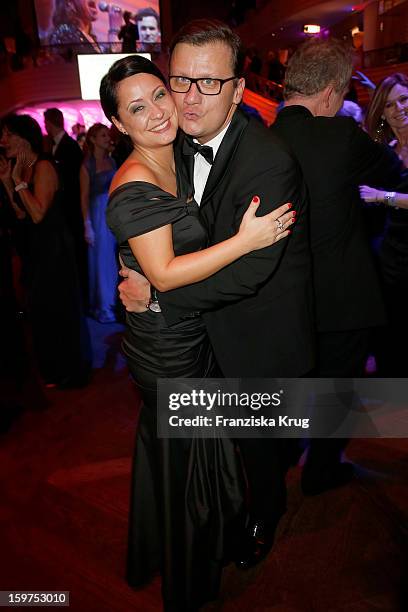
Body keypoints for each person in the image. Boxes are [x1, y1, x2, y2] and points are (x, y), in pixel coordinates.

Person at [118, 19, 314, 571]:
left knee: (260, 447)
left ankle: (265, 516)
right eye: (180, 80)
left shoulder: (269, 160)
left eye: (208, 82)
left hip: (259, 334)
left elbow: (250, 271)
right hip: (200, 341)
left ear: (236, 87)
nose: (189, 97)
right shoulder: (169, 142)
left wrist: (159, 298)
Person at [271, 39, 405, 494]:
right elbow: (390, 171)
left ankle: (286, 451)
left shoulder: (256, 139)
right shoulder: (341, 136)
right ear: (331, 93)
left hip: (283, 295)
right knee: (339, 387)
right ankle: (321, 470)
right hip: (344, 296)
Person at [0, 114, 91, 388]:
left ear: (23, 138)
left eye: (7, 135)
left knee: (58, 310)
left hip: (54, 249)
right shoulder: (22, 168)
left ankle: (70, 371)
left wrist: (16, 181)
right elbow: (21, 214)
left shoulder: (44, 167)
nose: (2, 142)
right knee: (41, 312)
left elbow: (38, 213)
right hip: (35, 250)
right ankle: (53, 368)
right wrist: (7, 181)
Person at [359, 73, 408, 376]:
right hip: (391, 256)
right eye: (389, 105)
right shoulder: (386, 149)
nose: (399, 109)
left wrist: (382, 196)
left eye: (404, 99)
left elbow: (379, 197)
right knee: (394, 330)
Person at [44, 107, 88, 302]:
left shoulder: (69, 146)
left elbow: (73, 183)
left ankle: (80, 295)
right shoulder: (56, 145)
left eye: (46, 123)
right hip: (64, 210)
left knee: (77, 252)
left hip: (70, 209)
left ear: (50, 123)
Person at [80, 123, 117, 323]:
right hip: (97, 214)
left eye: (106, 135)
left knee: (112, 259)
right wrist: (87, 225)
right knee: (102, 261)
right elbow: (83, 197)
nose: (107, 138)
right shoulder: (87, 165)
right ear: (93, 139)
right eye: (102, 135)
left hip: (112, 212)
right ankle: (103, 307)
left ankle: (113, 302)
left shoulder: (111, 161)